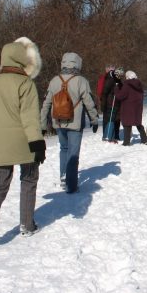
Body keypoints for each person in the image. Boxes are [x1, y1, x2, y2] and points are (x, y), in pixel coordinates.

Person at [0, 37, 46, 251]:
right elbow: (30, 117)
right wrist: (37, 142)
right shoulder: (25, 83)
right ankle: (27, 224)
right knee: (29, 179)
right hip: (24, 140)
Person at [40, 52, 98, 193]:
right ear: (78, 64)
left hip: (58, 122)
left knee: (63, 149)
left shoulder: (54, 81)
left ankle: (63, 177)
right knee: (73, 152)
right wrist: (94, 119)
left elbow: (46, 104)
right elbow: (89, 102)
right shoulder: (81, 81)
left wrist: (42, 124)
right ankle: (71, 185)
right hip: (75, 123)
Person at [115, 70, 147, 146]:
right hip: (137, 107)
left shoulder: (126, 85)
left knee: (127, 124)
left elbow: (120, 96)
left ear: (127, 77)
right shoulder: (139, 85)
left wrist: (117, 89)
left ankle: (126, 142)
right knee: (138, 123)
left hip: (127, 107)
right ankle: (144, 139)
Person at [101, 67, 124, 142]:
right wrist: (103, 104)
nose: (119, 78)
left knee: (114, 120)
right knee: (110, 119)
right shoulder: (110, 80)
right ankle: (107, 136)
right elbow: (104, 93)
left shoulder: (118, 80)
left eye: (121, 76)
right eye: (119, 76)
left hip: (116, 103)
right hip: (110, 103)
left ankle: (112, 136)